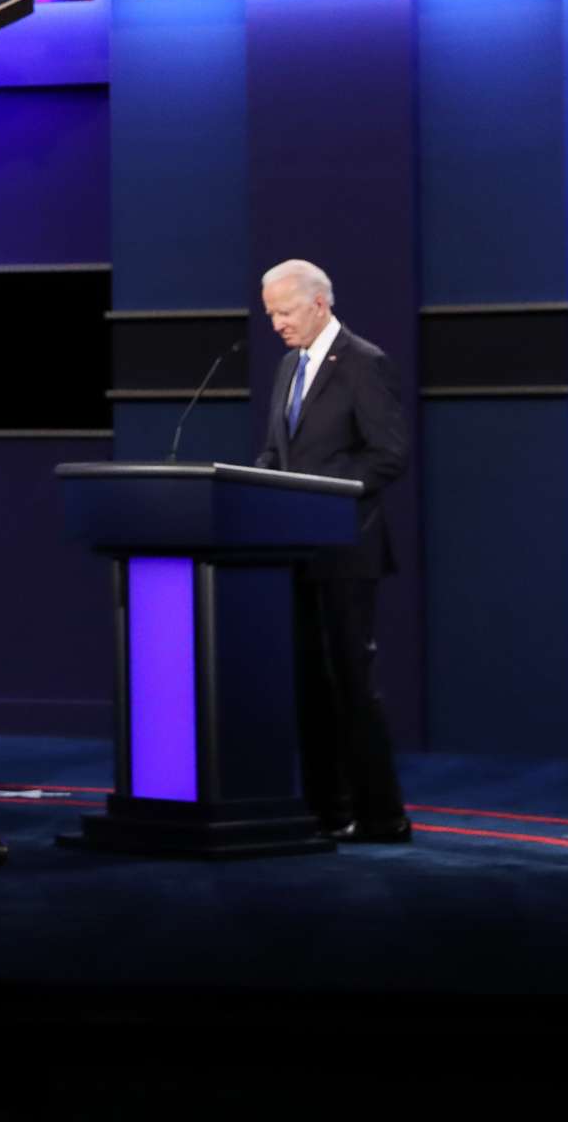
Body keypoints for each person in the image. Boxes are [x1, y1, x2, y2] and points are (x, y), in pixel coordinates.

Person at [253, 258, 412, 844]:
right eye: (271, 313)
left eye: (285, 311)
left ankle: (382, 815)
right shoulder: (286, 368)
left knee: (350, 682)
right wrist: (258, 481)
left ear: (319, 303)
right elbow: (278, 451)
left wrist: (321, 493)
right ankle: (326, 810)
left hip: (346, 549)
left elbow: (388, 454)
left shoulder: (364, 365)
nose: (276, 324)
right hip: (294, 552)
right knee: (308, 687)